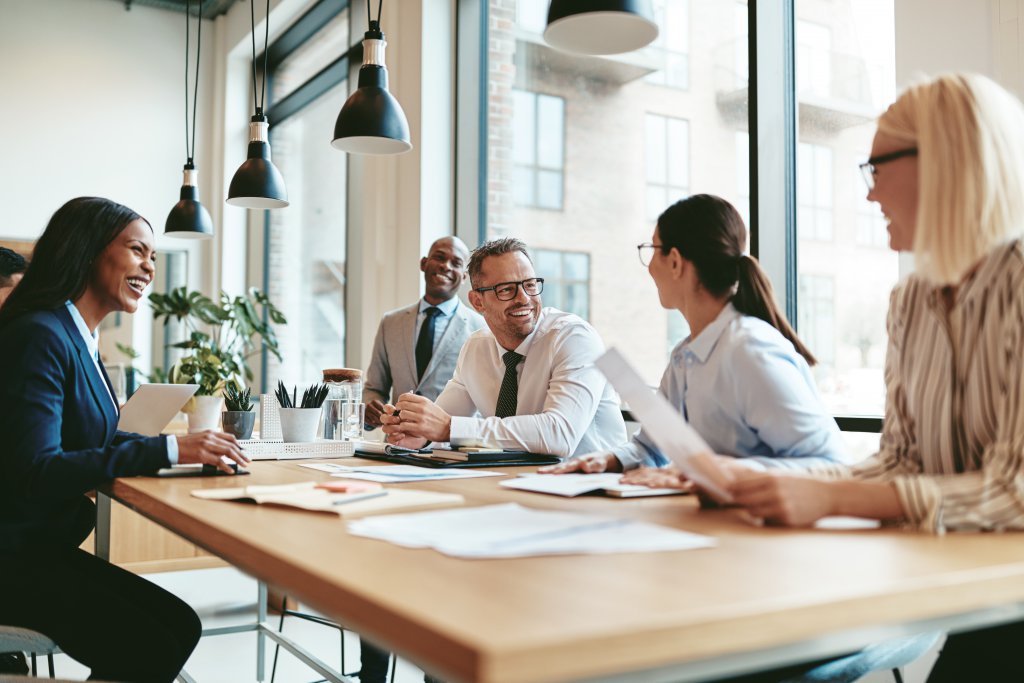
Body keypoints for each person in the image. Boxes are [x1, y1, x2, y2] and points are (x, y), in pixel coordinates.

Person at [721, 73, 1024, 681]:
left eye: (876, 169)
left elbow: (1016, 491)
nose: (869, 196)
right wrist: (760, 482)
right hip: (984, 607)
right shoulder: (910, 301)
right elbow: (900, 463)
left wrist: (829, 496)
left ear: (943, 160)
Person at [0, 197, 250, 682]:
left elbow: (78, 447)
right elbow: (37, 469)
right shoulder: (41, 335)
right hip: (13, 557)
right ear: (89, 250)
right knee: (152, 643)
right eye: (138, 250)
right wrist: (171, 449)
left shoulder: (78, 339)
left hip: (37, 549)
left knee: (180, 626)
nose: (149, 267)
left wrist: (181, 456)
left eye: (153, 256)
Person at [541, 193, 844, 479]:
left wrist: (722, 471)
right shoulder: (685, 357)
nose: (648, 269)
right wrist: (609, 459)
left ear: (674, 261)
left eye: (652, 251)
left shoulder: (750, 351)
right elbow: (652, 448)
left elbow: (829, 464)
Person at [381, 237, 627, 457]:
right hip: (516, 483)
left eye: (530, 284)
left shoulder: (574, 338)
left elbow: (559, 434)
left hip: (592, 490)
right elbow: (442, 420)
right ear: (478, 301)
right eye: (507, 289)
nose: (524, 299)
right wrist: (419, 433)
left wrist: (447, 428)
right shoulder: (477, 348)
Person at [362, 236, 485, 428]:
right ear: (424, 263)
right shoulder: (391, 323)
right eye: (440, 257)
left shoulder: (481, 328)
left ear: (463, 277)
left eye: (456, 263)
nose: (446, 266)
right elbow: (374, 388)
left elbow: (484, 401)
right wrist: (369, 407)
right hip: (396, 444)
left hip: (449, 449)